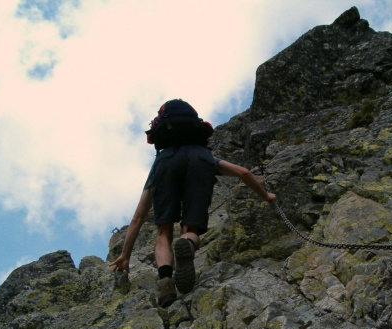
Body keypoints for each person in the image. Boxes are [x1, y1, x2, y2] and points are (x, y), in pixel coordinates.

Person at [110, 99, 276, 307]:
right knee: (190, 228)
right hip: (200, 164)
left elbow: (138, 217)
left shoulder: (161, 161)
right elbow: (243, 172)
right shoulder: (204, 155)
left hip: (166, 166)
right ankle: (187, 244)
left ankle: (165, 281)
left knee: (163, 232)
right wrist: (266, 196)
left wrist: (125, 255)